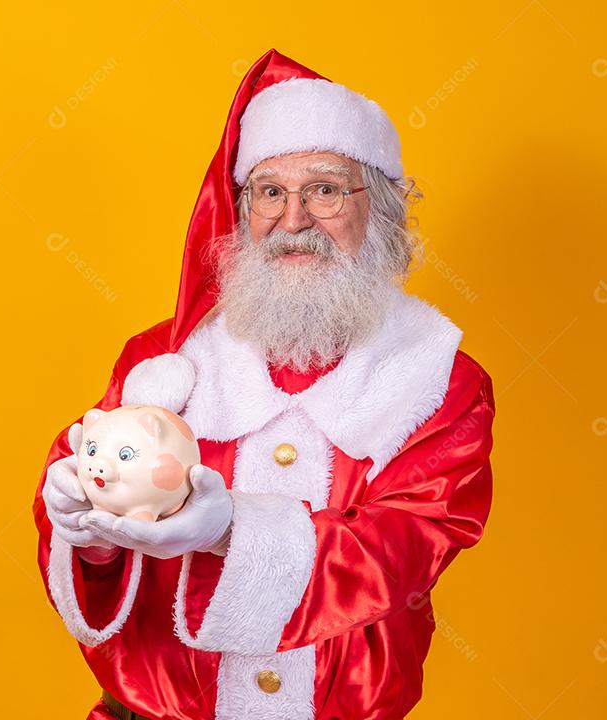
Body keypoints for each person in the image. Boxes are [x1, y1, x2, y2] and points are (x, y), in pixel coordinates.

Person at [32, 48, 496, 720]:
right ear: (242, 210)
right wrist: (90, 532)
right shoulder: (162, 358)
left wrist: (231, 531)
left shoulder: (439, 382)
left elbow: (401, 551)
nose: (294, 218)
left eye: (327, 189)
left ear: (385, 212)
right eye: (270, 191)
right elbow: (91, 533)